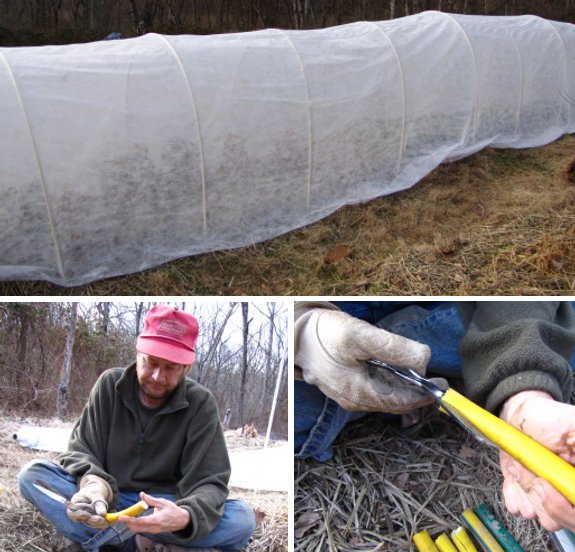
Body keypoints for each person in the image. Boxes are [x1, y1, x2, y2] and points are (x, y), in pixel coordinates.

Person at [294, 300, 575, 532]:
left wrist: (522, 395)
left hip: (469, 314)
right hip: (316, 345)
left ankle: (486, 369)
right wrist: (300, 332)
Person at [19, 305, 256, 552]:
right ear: (138, 352)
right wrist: (94, 487)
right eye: (151, 362)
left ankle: (104, 542)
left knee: (242, 519)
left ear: (186, 368)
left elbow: (210, 480)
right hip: (107, 503)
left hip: (162, 510)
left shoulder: (201, 403)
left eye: (170, 368)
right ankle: (146, 545)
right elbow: (81, 450)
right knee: (32, 477)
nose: (157, 376)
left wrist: (185, 516)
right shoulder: (109, 385)